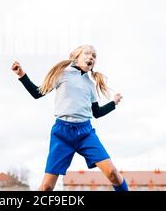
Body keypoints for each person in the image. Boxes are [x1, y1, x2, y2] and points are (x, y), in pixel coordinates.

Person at [11, 44, 129, 191]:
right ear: (75, 56)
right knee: (47, 187)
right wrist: (22, 74)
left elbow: (96, 113)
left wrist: (113, 103)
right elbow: (37, 93)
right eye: (87, 53)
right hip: (62, 134)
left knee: (113, 174)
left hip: (85, 133)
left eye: (94, 56)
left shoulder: (90, 84)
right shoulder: (61, 74)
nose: (91, 57)